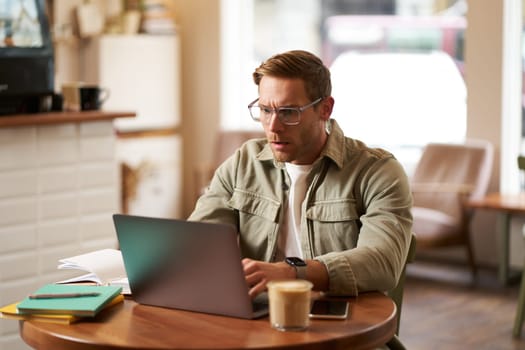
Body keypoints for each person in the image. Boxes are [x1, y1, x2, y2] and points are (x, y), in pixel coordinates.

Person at [189, 49, 413, 298]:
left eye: (288, 112)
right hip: (258, 318)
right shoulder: (244, 163)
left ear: (325, 109)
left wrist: (290, 272)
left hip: (343, 321)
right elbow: (201, 242)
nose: (273, 126)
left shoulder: (376, 171)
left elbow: (382, 262)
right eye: (265, 110)